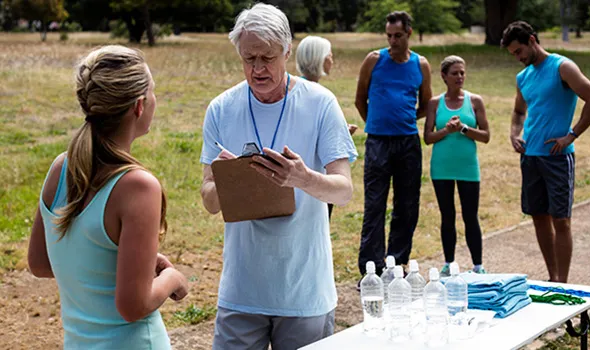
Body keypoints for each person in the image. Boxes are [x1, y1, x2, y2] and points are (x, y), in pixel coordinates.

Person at [199, 3, 357, 349]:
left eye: (267, 58)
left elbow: (344, 192)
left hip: (304, 291)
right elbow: (209, 200)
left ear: (287, 50)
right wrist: (230, 179)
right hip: (241, 291)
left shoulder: (320, 103)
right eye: (248, 59)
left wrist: (302, 178)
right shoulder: (222, 108)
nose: (257, 69)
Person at [27, 45, 189, 349]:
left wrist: (123, 262)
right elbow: (133, 306)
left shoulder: (61, 169)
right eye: (154, 92)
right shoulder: (139, 186)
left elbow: (40, 262)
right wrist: (173, 279)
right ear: (139, 105)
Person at [502, 21, 590, 283]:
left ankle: (563, 283)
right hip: (531, 156)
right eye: (513, 54)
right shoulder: (523, 77)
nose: (518, 58)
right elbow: (518, 111)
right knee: (539, 218)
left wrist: (572, 134)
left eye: (519, 51)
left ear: (532, 40)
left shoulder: (562, 67)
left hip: (558, 158)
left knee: (561, 221)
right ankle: (552, 277)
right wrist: (515, 133)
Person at [354, 11, 432, 276]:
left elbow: (426, 103)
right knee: (374, 204)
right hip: (378, 142)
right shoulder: (374, 60)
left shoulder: (421, 65)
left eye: (398, 35)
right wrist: (376, 123)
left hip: (408, 142)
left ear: (409, 33)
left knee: (407, 205)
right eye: (389, 36)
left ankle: (397, 263)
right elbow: (359, 99)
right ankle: (371, 269)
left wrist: (404, 119)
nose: (393, 41)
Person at [423, 55, 490, 276]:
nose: (460, 77)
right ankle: (449, 263)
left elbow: (485, 136)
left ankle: (478, 266)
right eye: (454, 73)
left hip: (468, 167)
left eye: (462, 72)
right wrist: (446, 131)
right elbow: (428, 137)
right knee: (447, 215)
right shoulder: (435, 103)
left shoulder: (475, 101)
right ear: (444, 76)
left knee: (471, 215)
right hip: (442, 167)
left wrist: (462, 129)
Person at [295, 34, 360, 218]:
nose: (332, 59)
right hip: (314, 178)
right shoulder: (315, 95)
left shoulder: (300, 91)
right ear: (319, 58)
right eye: (329, 55)